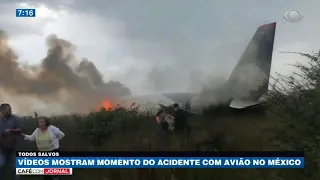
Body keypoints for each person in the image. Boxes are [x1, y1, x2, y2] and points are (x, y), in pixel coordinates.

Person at [0, 103, 23, 180]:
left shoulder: (16, 119)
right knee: (1, 165)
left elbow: (21, 129)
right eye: (8, 110)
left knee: (15, 168)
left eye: (10, 109)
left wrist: (11, 130)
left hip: (14, 148)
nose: (10, 111)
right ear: (2, 111)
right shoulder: (1, 120)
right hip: (3, 148)